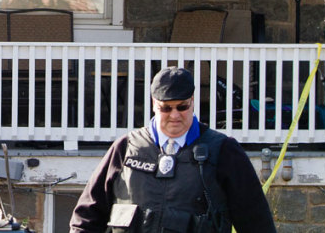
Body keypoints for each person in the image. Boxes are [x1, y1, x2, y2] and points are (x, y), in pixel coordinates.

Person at [69, 66, 276, 233]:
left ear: (192, 102)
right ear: (153, 105)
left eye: (182, 107)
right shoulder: (126, 148)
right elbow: (86, 218)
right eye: (166, 108)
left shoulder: (223, 151)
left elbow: (256, 222)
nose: (175, 115)